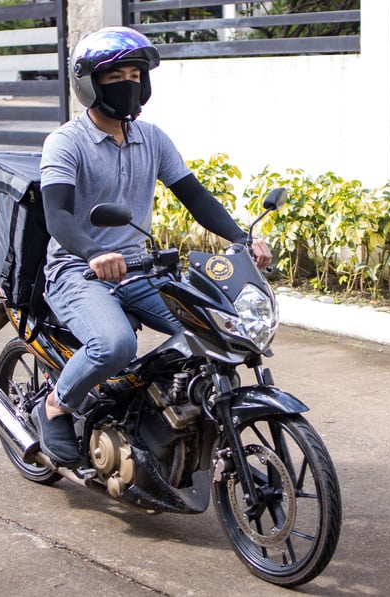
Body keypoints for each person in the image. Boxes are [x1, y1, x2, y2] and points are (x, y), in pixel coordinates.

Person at [31, 27, 272, 466]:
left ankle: (153, 409)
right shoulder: (66, 142)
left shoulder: (153, 138)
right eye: (114, 75)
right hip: (77, 271)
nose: (128, 83)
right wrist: (92, 252)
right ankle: (55, 405)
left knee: (214, 331)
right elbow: (59, 216)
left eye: (135, 73)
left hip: (141, 270)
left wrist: (240, 238)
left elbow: (195, 196)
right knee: (115, 345)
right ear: (88, 83)